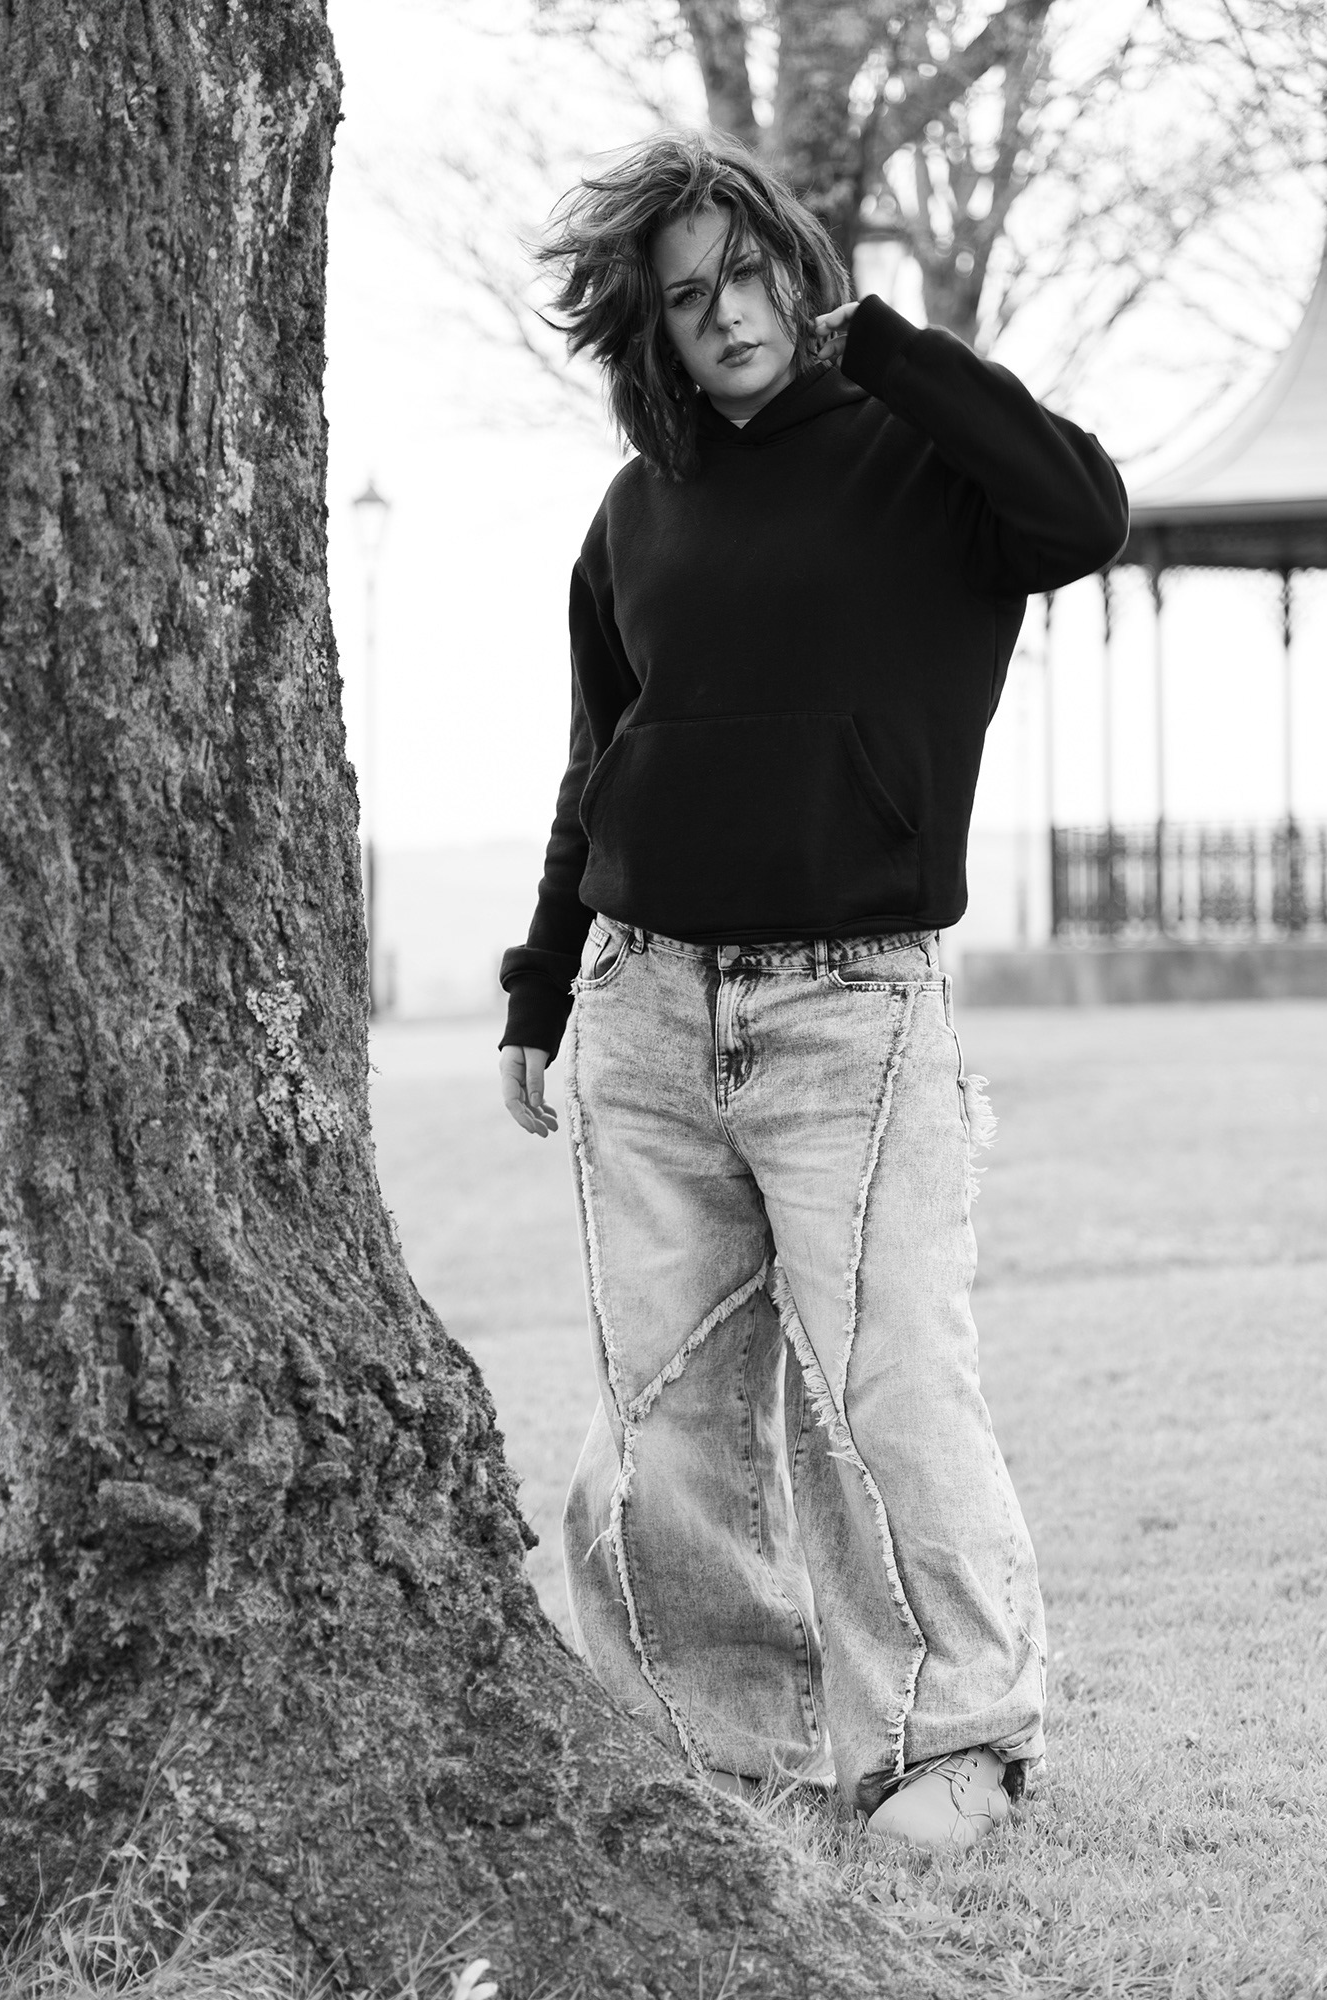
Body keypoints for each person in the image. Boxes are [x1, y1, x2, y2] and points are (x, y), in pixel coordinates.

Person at [498, 131, 1127, 1847]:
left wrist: (895, 350)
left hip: (851, 1005)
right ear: (647, 330)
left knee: (890, 1390)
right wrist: (538, 993)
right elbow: (596, 764)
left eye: (743, 273)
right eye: (681, 299)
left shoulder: (920, 460)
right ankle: (724, 1757)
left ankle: (951, 1745)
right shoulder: (634, 513)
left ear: (794, 263)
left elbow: (1083, 514)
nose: (724, 316)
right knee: (664, 1418)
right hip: (641, 1006)